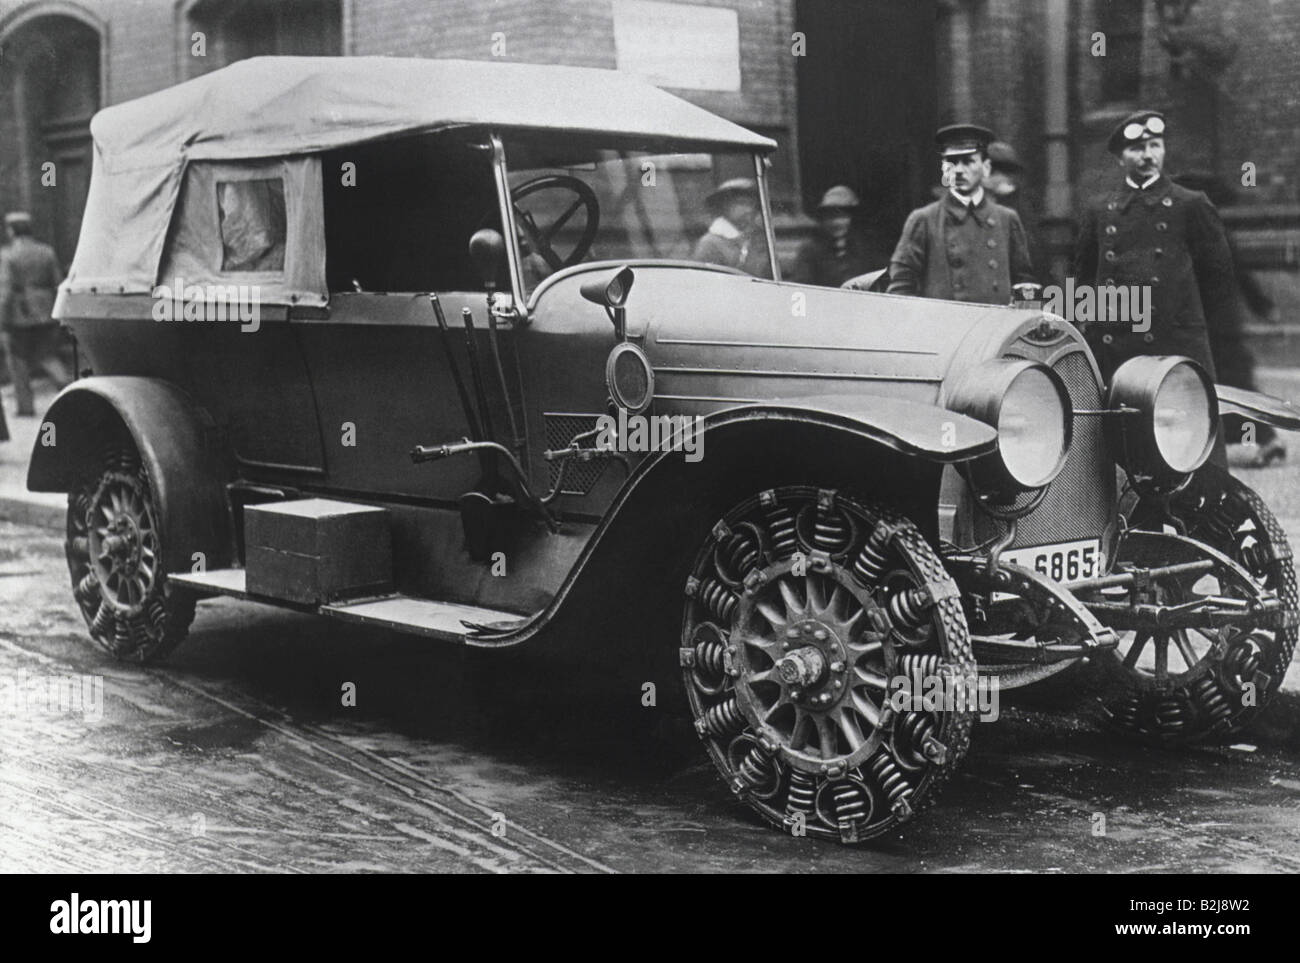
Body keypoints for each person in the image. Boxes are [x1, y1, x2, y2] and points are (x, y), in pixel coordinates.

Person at [1173, 170, 1285, 467]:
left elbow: (1239, 276)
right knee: (1220, 386)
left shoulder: (1200, 236)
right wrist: (1263, 307)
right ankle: (1220, 444)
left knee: (1230, 387)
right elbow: (1243, 276)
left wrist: (1262, 306)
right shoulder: (1212, 232)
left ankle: (1262, 440)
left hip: (1213, 327)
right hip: (1214, 325)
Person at [878, 124, 1036, 304]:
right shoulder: (923, 220)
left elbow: (1025, 284)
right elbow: (900, 290)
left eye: (968, 161)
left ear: (985, 168)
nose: (959, 170)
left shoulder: (1007, 219)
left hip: (997, 329)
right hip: (944, 329)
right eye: (952, 162)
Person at [0, 212, 69, 416]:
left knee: (17, 359)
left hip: (19, 314)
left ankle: (26, 407)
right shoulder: (46, 251)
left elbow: (5, 290)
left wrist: (2, 318)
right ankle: (67, 391)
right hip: (46, 311)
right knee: (48, 355)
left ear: (11, 230)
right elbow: (58, 282)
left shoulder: (6, 255)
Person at [788, 185, 891, 288]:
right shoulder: (810, 250)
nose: (836, 223)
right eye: (830, 217)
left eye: (842, 217)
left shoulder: (867, 247)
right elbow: (802, 286)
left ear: (853, 218)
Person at [692, 178, 770, 277]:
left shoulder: (756, 239)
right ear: (725, 206)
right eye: (741, 203)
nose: (749, 209)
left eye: (751, 204)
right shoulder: (710, 244)